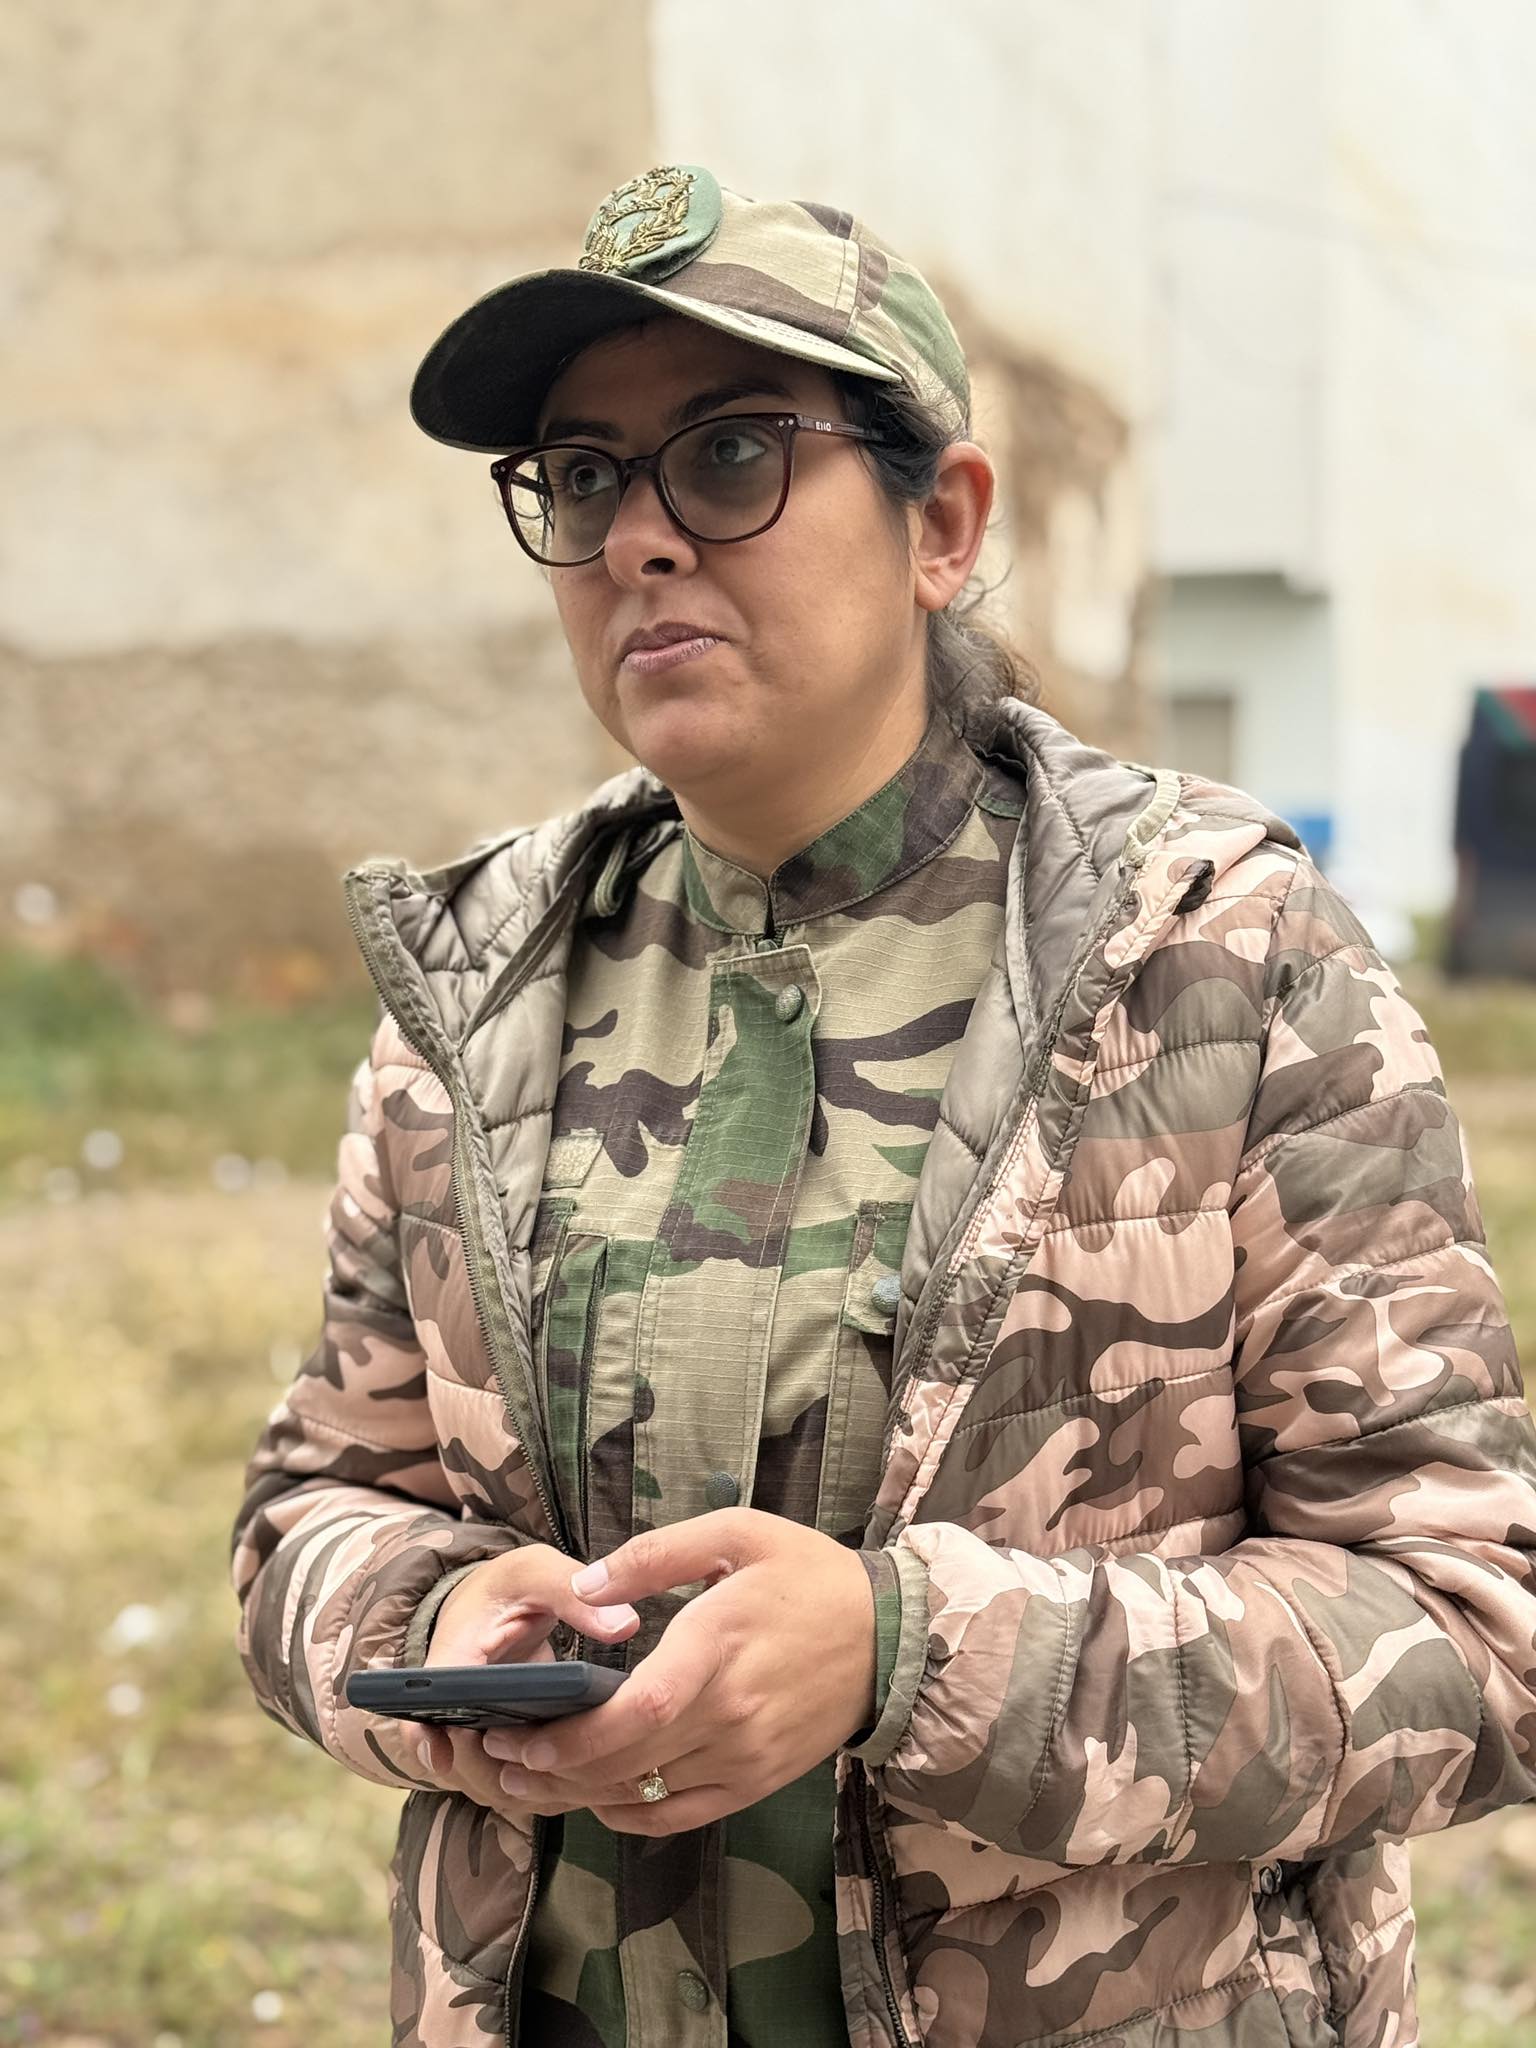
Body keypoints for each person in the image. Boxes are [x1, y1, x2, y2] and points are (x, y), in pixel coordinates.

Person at [230, 163, 1536, 2048]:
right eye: (583, 478)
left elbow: (1473, 1628)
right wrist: (430, 1630)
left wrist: (911, 1657)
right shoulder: (478, 990)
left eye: (731, 455)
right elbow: (314, 1514)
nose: (639, 540)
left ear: (944, 524)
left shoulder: (1217, 961)